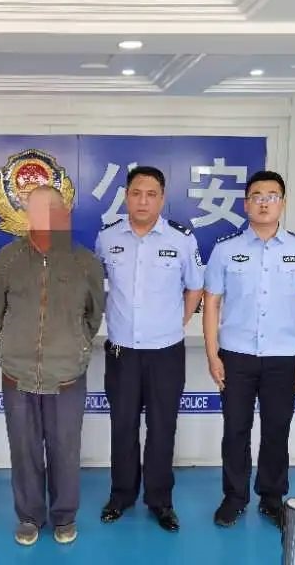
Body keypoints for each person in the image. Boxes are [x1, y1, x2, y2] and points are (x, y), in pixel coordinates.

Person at [203, 170, 295, 529]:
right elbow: (211, 304)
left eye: (272, 196)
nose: (264, 202)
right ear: (246, 204)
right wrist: (212, 355)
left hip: (283, 357)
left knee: (276, 430)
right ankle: (234, 497)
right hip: (236, 355)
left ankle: (272, 498)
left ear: (282, 204)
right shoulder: (226, 249)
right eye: (257, 196)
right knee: (235, 430)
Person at [0, 185, 105, 546]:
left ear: (64, 214)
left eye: (53, 210)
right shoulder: (7, 259)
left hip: (66, 374)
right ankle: (29, 516)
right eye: (37, 210)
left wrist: (74, 346)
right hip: (18, 374)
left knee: (65, 449)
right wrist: (18, 343)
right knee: (23, 450)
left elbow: (93, 315)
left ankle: (64, 516)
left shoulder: (85, 262)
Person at [95, 165, 204, 533]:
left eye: (151, 194)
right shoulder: (107, 238)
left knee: (162, 429)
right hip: (122, 352)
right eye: (136, 193)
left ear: (162, 198)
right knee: (122, 427)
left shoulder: (181, 240)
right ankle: (121, 496)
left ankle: (160, 501)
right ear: (126, 196)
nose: (143, 201)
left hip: (165, 353)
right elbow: (96, 286)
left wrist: (178, 321)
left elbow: (195, 287)